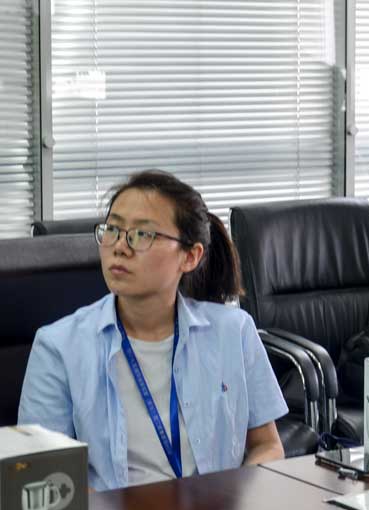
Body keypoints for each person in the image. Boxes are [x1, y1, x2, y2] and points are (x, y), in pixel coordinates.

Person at [19, 170, 288, 491]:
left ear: (190, 256)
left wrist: (231, 502)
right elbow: (44, 473)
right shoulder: (59, 346)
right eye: (113, 229)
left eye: (142, 234)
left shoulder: (234, 331)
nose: (120, 246)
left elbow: (267, 445)